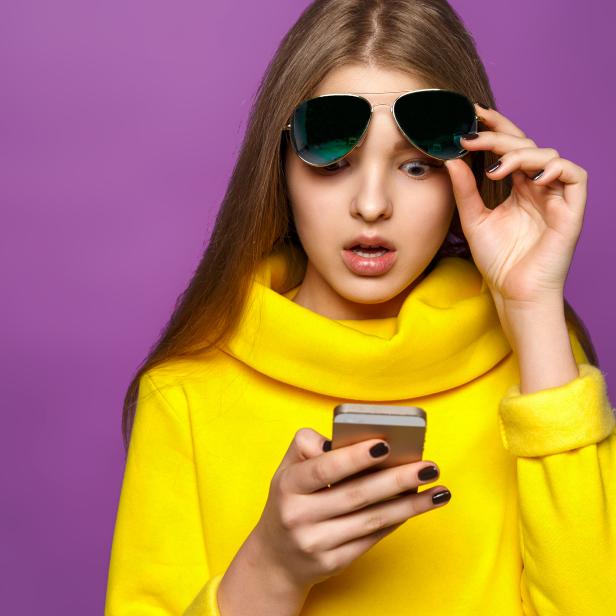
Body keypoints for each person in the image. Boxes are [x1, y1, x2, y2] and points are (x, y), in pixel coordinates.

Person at [104, 1, 616, 614]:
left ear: (475, 172)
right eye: (335, 160)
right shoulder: (185, 395)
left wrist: (532, 309)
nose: (372, 204)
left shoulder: (540, 371)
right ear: (281, 170)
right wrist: (271, 570)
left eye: (416, 166)